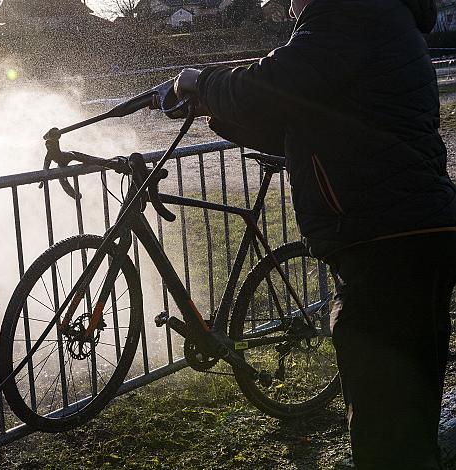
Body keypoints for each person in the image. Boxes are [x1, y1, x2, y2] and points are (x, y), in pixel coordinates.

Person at [174, 0, 456, 468]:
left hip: (383, 239)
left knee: (387, 428)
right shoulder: (377, 15)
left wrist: (200, 81)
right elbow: (302, 122)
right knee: (408, 414)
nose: (287, 7)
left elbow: (273, 86)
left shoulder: (350, 12)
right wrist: (218, 111)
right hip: (405, 232)